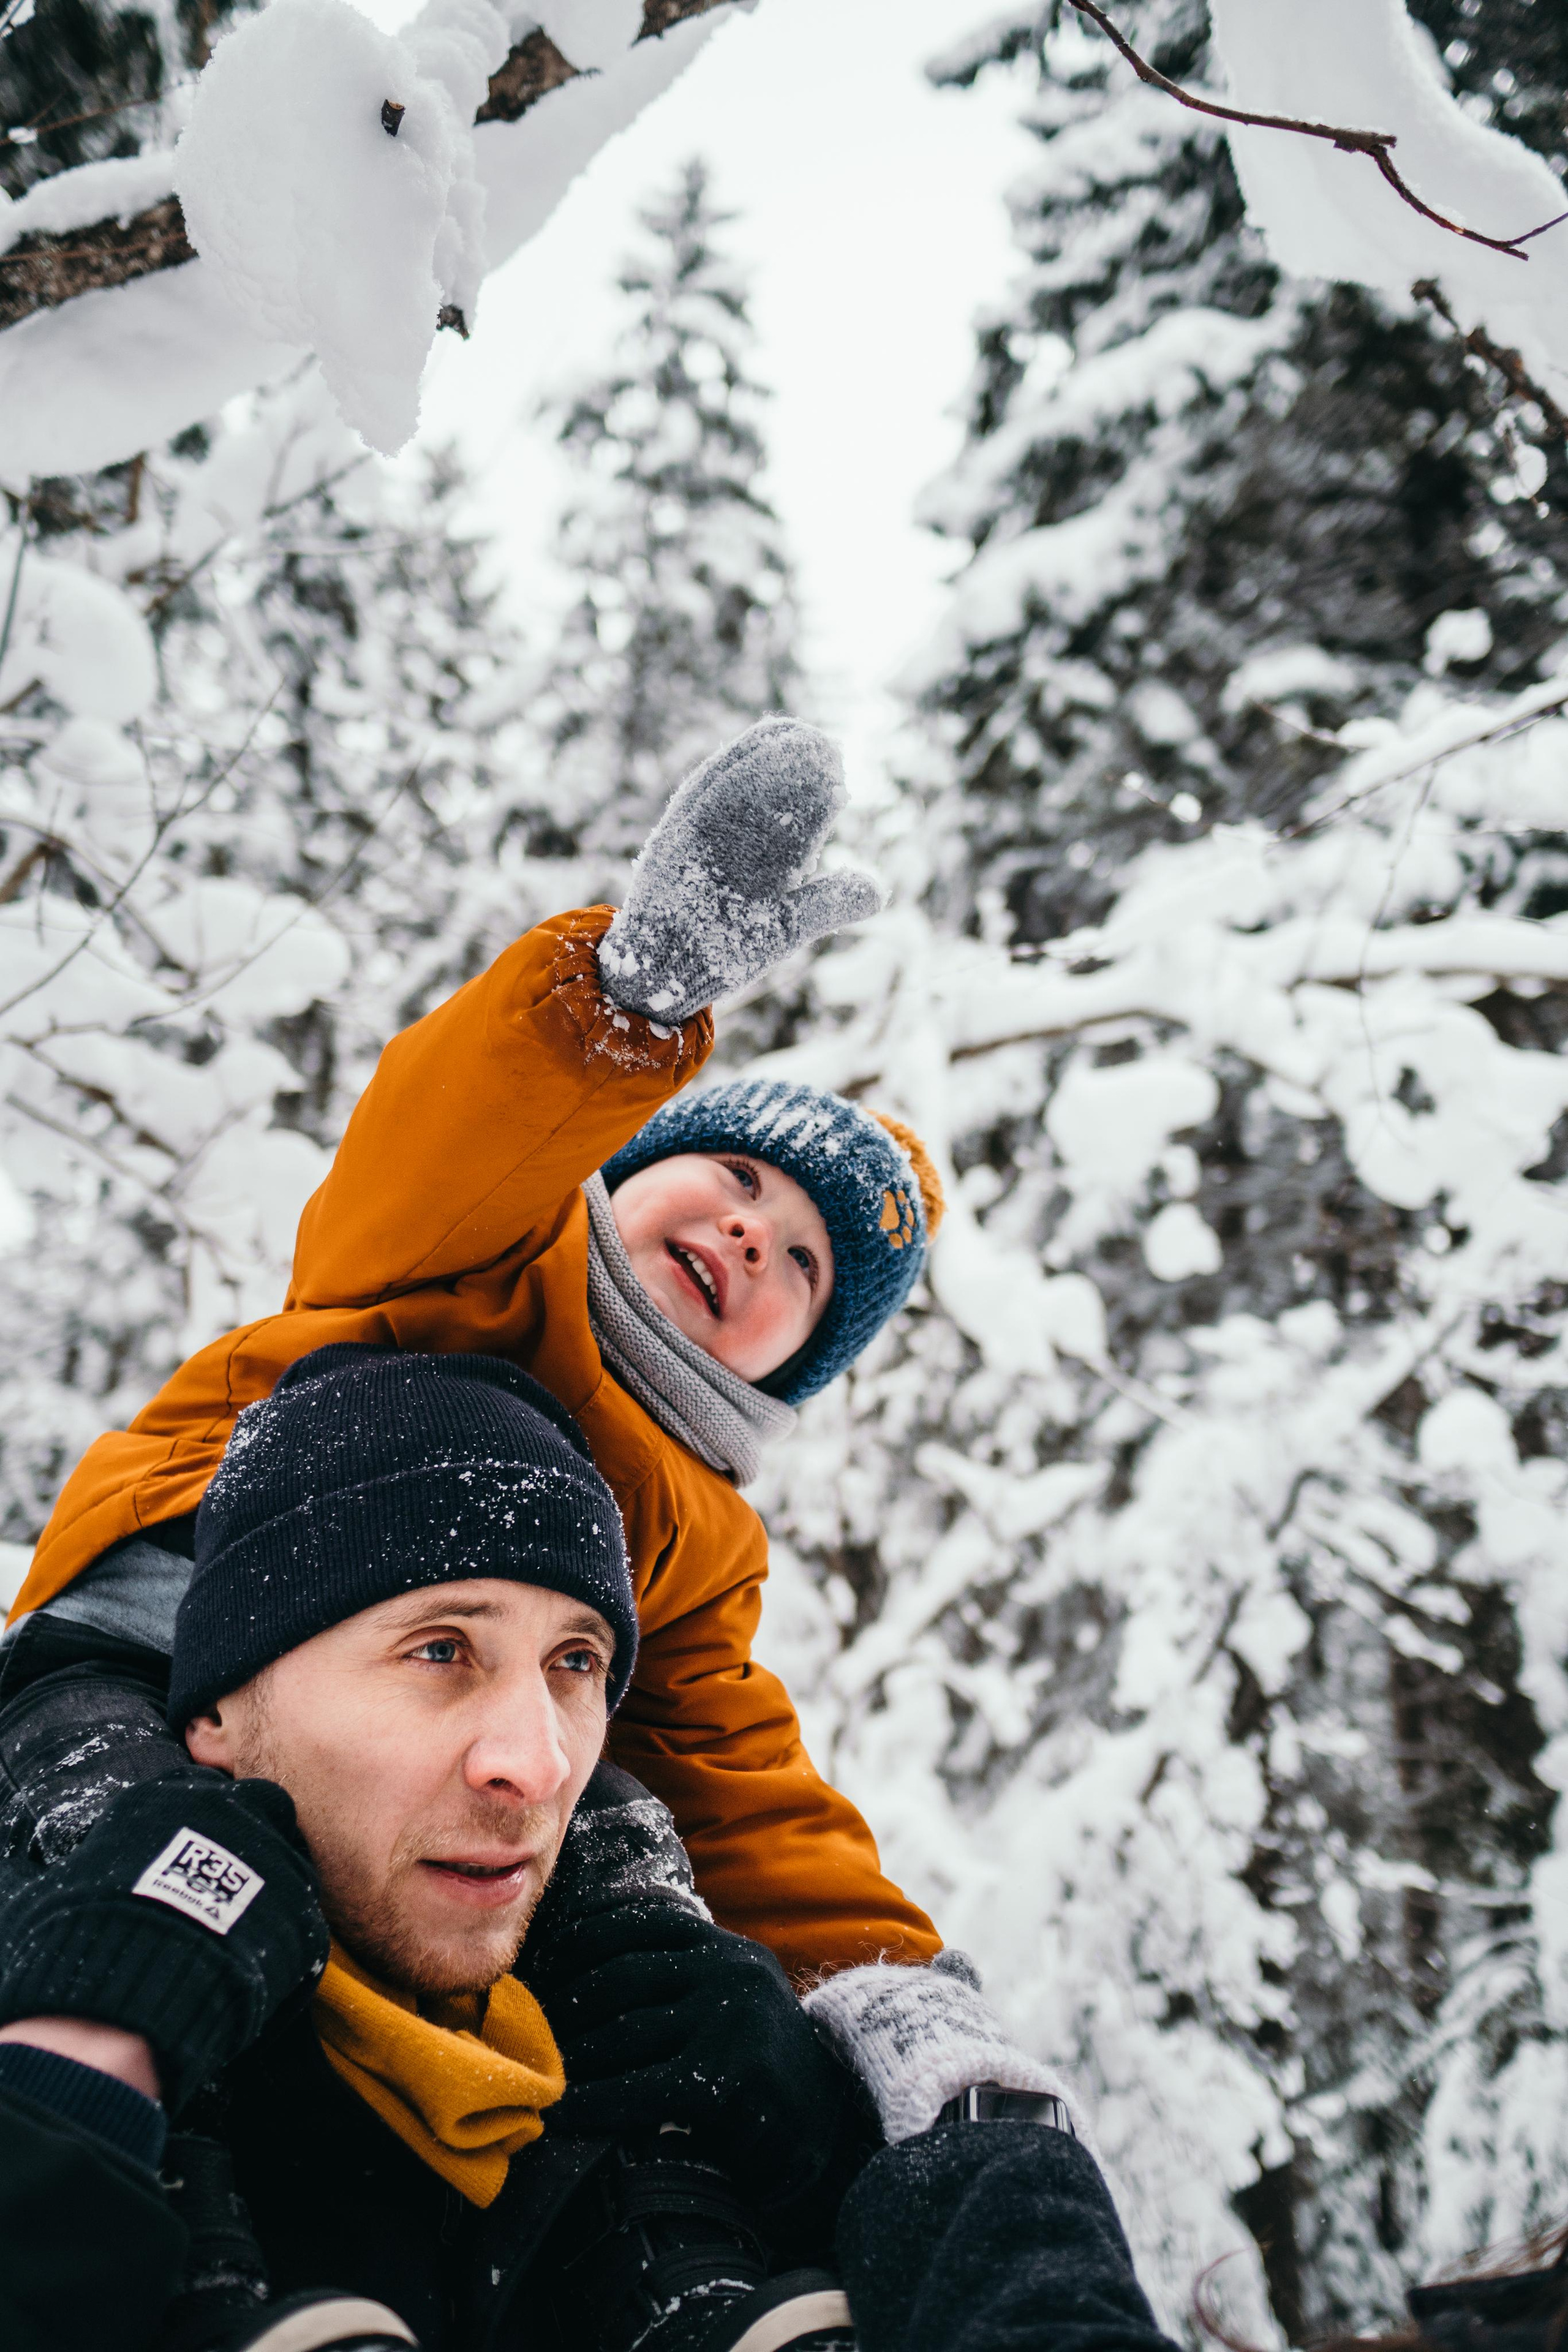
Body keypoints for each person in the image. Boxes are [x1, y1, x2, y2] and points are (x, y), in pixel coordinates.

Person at [1, 715, 1008, 2124]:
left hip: (440, 1751)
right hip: (153, 1634)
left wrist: (888, 1981)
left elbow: (741, 1788)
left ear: (798, 1365)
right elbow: (444, 1131)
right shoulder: (475, 1242)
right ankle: (78, 2112)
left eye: (802, 1263)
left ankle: (652, 2199)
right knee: (155, 1859)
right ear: (633, 1164)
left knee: (625, 1868)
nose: (748, 1233)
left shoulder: (695, 1533)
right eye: (735, 1178)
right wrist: (623, 1008)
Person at [1, 1344, 1177, 2352]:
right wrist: (74, 2082)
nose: (538, 1761)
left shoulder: (642, 2063)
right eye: (440, 1650)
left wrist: (837, 2153)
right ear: (217, 1710)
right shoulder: (40, 1975)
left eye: (575, 1664)